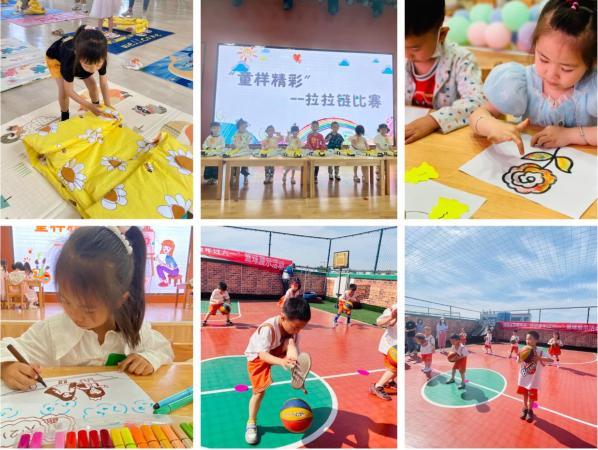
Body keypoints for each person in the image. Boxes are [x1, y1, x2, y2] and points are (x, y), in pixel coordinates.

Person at [0, 227, 174, 390]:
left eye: (89, 309)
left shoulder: (134, 328)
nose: (75, 316)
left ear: (118, 300)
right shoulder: (52, 331)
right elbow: (7, 347)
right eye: (66, 300)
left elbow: (163, 349)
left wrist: (149, 359)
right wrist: (7, 367)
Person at [470, 0, 597, 153]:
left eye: (566, 68)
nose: (551, 74)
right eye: (543, 59)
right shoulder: (520, 82)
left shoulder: (593, 88)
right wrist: (492, 126)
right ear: (535, 44)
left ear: (591, 63)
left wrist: (569, 135)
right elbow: (477, 116)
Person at [405, 0, 484, 143]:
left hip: (447, 142)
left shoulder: (461, 60)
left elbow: (476, 102)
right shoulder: (401, 60)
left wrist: (432, 120)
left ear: (441, 35)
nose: (406, 55)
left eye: (414, 48)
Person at [244, 297, 311, 445]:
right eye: (295, 327)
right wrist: (281, 361)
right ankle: (251, 423)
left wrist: (297, 373)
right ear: (283, 317)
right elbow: (263, 354)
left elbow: (291, 347)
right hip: (258, 357)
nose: (298, 331)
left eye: (301, 328)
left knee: (291, 341)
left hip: (278, 349)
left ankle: (296, 371)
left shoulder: (293, 330)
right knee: (259, 392)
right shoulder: (268, 328)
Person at [46, 26, 113, 122]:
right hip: (56, 59)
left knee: (93, 84)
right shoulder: (69, 61)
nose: (92, 70)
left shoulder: (100, 58)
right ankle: (65, 117)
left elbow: (103, 83)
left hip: (79, 61)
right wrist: (88, 106)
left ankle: (97, 105)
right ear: (77, 55)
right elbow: (69, 91)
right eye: (87, 65)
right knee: (63, 91)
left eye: (98, 65)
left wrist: (108, 106)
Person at [517, 331, 553, 422]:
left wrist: (539, 358)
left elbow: (551, 360)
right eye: (526, 338)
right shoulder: (523, 349)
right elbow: (518, 362)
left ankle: (530, 410)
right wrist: (521, 356)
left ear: (536, 340)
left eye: (530, 338)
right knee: (525, 394)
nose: (527, 340)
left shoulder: (540, 351)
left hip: (533, 379)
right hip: (524, 376)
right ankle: (525, 408)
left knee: (531, 395)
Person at [370, 304, 397, 400]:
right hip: (390, 345)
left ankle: (390, 381)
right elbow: (379, 322)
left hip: (397, 344)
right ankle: (377, 386)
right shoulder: (395, 308)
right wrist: (391, 317)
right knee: (394, 368)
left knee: (397, 368)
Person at [232, 118, 251, 183]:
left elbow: (247, 141)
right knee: (235, 163)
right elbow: (234, 140)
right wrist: (236, 144)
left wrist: (242, 142)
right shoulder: (236, 133)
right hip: (237, 151)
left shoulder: (247, 133)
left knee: (245, 163)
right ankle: (234, 175)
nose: (244, 128)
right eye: (242, 126)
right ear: (238, 127)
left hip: (245, 151)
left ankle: (245, 176)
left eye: (245, 127)